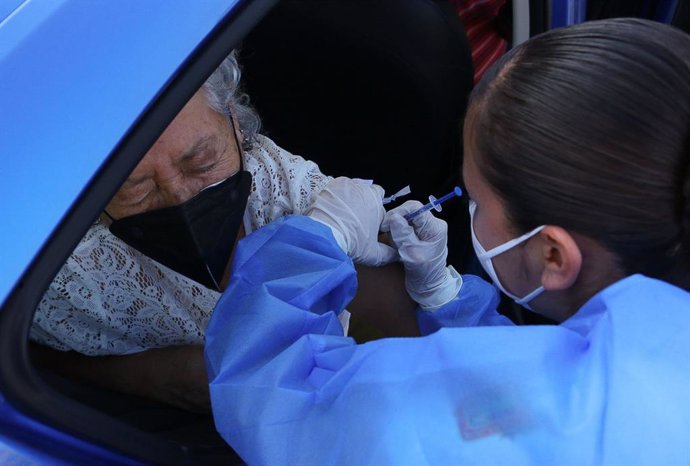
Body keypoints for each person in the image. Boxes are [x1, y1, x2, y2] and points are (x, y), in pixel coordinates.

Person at [204, 18, 690, 464]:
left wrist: (314, 240)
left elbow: (282, 405)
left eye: (475, 203)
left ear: (553, 255)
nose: (466, 212)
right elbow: (537, 372)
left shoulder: (564, 418)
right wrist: (447, 297)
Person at [29, 51, 418, 413]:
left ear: (233, 120)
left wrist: (442, 294)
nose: (180, 197)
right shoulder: (66, 267)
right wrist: (146, 377)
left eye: (200, 162)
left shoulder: (283, 191)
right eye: (137, 187)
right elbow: (29, 352)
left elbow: (403, 319)